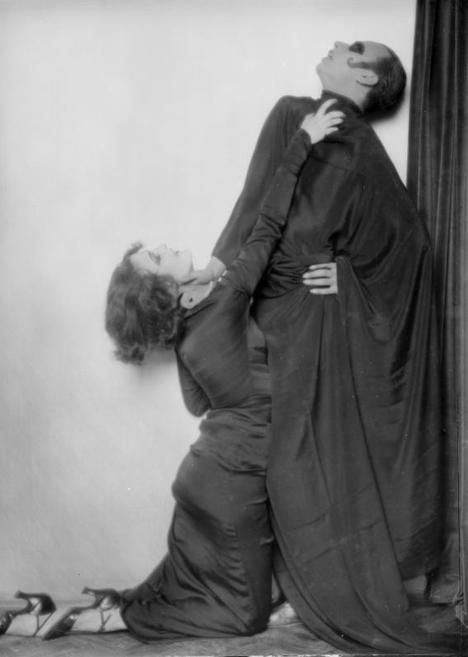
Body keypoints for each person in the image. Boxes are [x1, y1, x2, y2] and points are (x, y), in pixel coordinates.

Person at [0, 103, 343, 647]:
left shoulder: (188, 333)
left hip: (208, 479)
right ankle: (89, 618)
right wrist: (303, 141)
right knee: (240, 617)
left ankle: (59, 615)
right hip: (228, 484)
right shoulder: (223, 304)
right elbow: (265, 223)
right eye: (159, 257)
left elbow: (201, 406)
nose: (168, 246)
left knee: (201, 592)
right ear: (165, 290)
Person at [191, 41, 465, 653]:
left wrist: (348, 273)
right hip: (270, 311)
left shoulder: (365, 149)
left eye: (352, 49)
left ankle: (311, 590)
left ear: (365, 75)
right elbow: (257, 196)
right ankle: (273, 590)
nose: (336, 46)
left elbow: (410, 248)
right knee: (272, 451)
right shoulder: (295, 113)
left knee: (312, 458)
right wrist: (216, 266)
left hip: (319, 325)